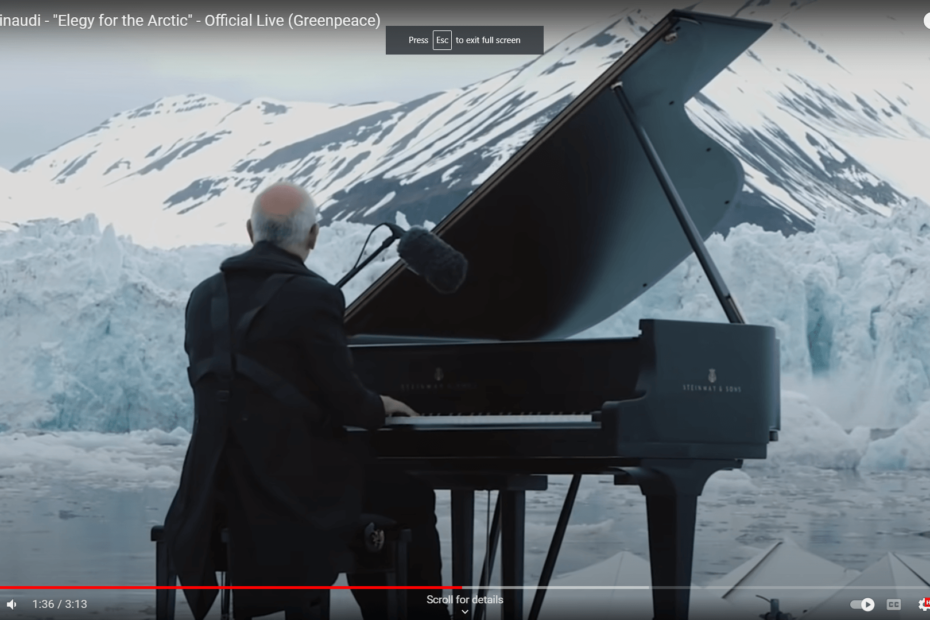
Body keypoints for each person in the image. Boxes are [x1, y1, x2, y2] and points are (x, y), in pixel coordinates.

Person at [163, 182, 449, 620]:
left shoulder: (203, 296)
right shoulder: (313, 296)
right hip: (286, 496)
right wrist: (382, 404)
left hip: (212, 489)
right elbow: (350, 405)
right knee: (407, 495)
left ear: (249, 230)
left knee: (370, 490)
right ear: (313, 236)